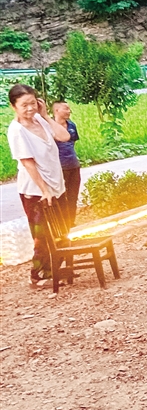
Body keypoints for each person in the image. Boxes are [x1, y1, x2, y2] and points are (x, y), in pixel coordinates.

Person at [7, 84, 71, 287]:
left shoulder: (40, 121)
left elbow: (64, 136)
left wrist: (45, 116)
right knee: (42, 235)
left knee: (62, 229)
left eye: (33, 103)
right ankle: (38, 275)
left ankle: (55, 270)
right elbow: (28, 163)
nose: (30, 108)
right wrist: (44, 190)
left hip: (56, 185)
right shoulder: (17, 131)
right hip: (36, 191)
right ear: (14, 106)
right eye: (24, 105)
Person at [52, 101, 81, 227]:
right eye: (66, 109)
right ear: (57, 110)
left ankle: (71, 222)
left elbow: (72, 143)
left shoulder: (71, 125)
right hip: (59, 168)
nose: (69, 111)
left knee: (73, 195)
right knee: (61, 197)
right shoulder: (49, 126)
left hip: (73, 165)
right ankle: (62, 223)